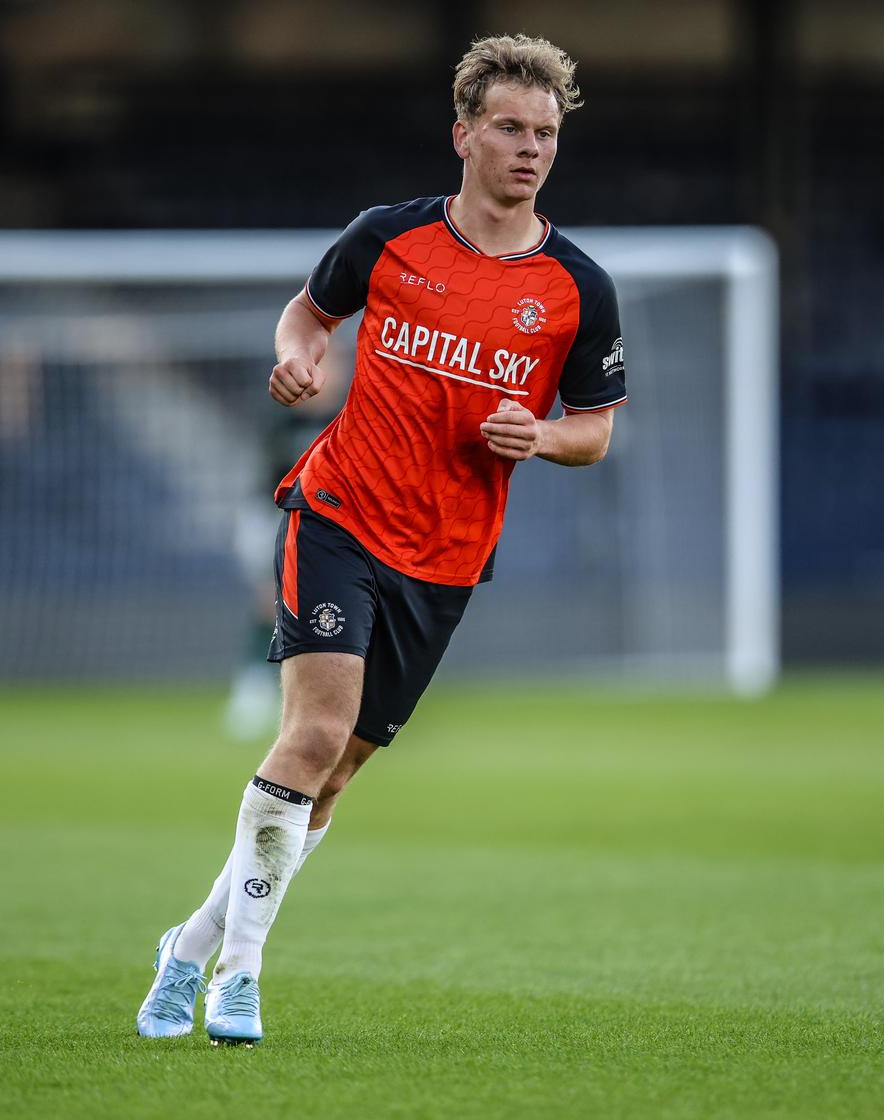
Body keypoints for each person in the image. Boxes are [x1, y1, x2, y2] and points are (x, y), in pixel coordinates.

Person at [137, 33, 628, 1044]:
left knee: (334, 775)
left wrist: (540, 435)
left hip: (446, 555)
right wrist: (294, 361)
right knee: (311, 734)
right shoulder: (390, 239)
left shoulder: (577, 289)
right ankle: (240, 971)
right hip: (340, 512)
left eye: (545, 132)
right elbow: (307, 318)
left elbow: (597, 430)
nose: (530, 147)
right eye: (509, 127)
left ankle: (186, 944)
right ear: (463, 135)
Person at [223, 341, 349, 741]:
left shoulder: (347, 420)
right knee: (273, 601)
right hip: (274, 519)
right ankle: (254, 689)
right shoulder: (284, 422)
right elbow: (269, 485)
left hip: (327, 528)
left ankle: (335, 695)